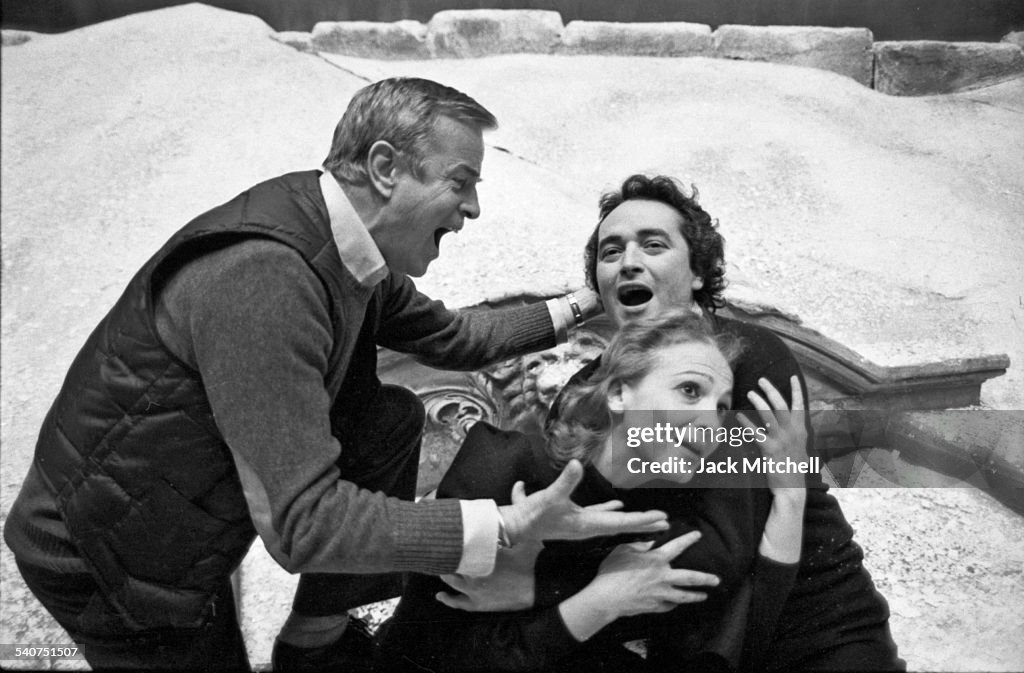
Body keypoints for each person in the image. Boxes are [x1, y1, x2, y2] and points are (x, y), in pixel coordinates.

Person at [2, 79, 671, 671]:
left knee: (388, 419)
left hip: (179, 507)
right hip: (111, 556)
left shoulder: (346, 239)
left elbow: (457, 335)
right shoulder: (266, 280)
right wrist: (516, 547)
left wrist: (586, 302)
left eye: (653, 245)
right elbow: (305, 525)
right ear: (384, 168)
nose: (472, 211)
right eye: (461, 182)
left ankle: (313, 633)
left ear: (701, 268)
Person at [430, 175, 903, 672]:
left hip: (811, 625)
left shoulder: (749, 361)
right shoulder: (583, 392)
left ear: (698, 272)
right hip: (677, 634)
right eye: (610, 253)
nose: (628, 261)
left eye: (653, 245)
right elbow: (578, 523)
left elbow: (722, 548)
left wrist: (537, 586)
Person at [380, 312, 809, 672]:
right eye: (689, 390)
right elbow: (433, 653)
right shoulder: (499, 466)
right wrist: (598, 603)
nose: (712, 424)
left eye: (720, 407)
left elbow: (740, 637)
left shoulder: (666, 519)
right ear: (620, 392)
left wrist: (792, 496)